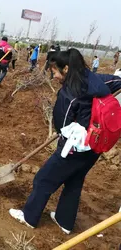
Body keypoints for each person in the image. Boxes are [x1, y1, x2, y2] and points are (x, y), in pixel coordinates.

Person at [9, 48, 121, 234]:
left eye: (54, 71)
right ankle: (64, 222)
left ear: (66, 68)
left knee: (43, 180)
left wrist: (72, 127)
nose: (53, 76)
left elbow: (62, 126)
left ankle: (29, 217)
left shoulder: (69, 93)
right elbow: (118, 82)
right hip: (95, 146)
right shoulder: (97, 79)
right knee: (74, 182)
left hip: (75, 148)